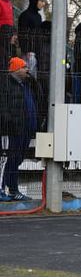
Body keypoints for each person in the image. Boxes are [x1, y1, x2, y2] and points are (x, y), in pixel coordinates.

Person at [0, 57, 38, 201]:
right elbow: (4, 107)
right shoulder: (6, 84)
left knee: (17, 159)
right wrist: (10, 123)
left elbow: (38, 95)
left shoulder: (26, 84)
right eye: (24, 67)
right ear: (16, 69)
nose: (27, 70)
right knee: (8, 159)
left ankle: (12, 189)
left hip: (25, 129)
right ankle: (4, 189)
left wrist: (32, 80)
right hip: (12, 130)